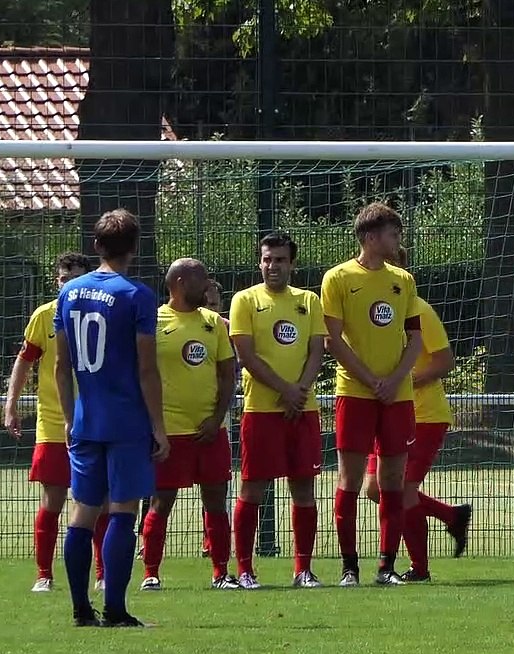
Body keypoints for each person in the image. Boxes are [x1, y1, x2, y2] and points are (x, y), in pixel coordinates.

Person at [54, 208, 169, 628]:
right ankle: (116, 610)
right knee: (123, 511)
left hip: (86, 418)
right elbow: (146, 368)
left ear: (97, 245)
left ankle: (81, 609)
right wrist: (158, 426)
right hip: (126, 420)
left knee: (82, 513)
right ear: (134, 249)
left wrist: (70, 417)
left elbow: (60, 366)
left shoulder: (70, 293)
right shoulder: (137, 295)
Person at [321, 202, 423, 586]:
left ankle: (386, 567)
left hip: (397, 395)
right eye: (393, 234)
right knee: (348, 479)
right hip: (355, 392)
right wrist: (369, 378)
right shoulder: (338, 278)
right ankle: (349, 567)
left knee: (392, 480)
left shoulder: (403, 280)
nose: (398, 241)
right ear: (370, 237)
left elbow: (414, 338)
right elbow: (332, 340)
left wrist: (395, 379)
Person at [3, 252, 112, 594]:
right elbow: (24, 363)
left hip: (95, 422)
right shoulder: (44, 316)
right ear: (57, 281)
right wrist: (11, 406)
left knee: (100, 501)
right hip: (52, 424)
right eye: (64, 279)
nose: (69, 286)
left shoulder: (101, 313)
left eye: (75, 279)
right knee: (53, 499)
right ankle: (43, 574)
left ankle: (103, 573)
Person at [362, 246, 472, 582]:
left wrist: (404, 382)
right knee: (374, 489)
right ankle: (451, 515)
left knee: (403, 488)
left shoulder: (420, 311)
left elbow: (444, 361)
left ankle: (418, 569)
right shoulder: (374, 312)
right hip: (388, 413)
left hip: (424, 415)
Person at [229, 231, 327, 589]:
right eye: (267, 259)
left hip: (303, 409)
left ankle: (303, 570)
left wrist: (299, 392)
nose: (273, 266)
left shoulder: (309, 301)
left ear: (292, 264)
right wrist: (286, 390)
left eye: (280, 260)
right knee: (252, 489)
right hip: (261, 410)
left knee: (303, 490)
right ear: (260, 261)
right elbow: (246, 355)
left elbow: (317, 349)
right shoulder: (244, 300)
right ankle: (244, 570)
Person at [140, 258, 238, 591]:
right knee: (161, 502)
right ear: (180, 283)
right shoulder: (152, 321)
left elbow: (228, 374)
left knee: (215, 501)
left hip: (210, 431)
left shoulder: (214, 323)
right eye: (202, 280)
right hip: (169, 433)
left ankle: (221, 573)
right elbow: (142, 375)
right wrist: (154, 426)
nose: (208, 286)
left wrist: (217, 417)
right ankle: (150, 573)